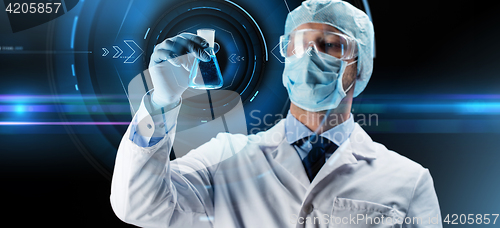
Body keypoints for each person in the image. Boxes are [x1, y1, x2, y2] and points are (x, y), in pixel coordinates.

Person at [110, 0, 442, 227]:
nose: (310, 56)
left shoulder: (408, 181)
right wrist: (161, 102)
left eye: (330, 45)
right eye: (299, 44)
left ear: (361, 65)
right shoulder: (224, 158)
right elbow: (139, 206)